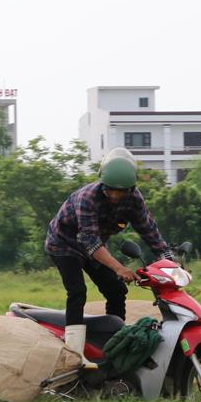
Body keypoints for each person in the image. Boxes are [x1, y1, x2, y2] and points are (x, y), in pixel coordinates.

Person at [44, 147, 171, 369]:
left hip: (94, 247)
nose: (114, 196)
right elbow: (91, 242)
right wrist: (119, 268)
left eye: (121, 192)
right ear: (102, 183)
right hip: (64, 244)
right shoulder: (87, 198)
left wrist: (168, 260)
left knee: (117, 290)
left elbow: (149, 230)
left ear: (131, 189)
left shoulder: (134, 199)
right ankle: (73, 354)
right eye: (110, 190)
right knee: (77, 292)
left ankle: (114, 346)